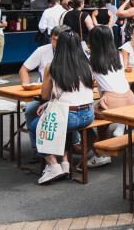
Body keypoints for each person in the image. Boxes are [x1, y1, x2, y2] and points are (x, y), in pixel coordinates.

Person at [29, 31, 94, 184]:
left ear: (60, 45)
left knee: (35, 127)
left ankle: (53, 165)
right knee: (60, 124)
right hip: (88, 115)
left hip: (69, 116)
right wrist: (50, 102)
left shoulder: (52, 67)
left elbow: (44, 95)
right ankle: (65, 163)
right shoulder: (87, 65)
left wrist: (47, 101)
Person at [88, 25, 134, 167]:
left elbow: (87, 83)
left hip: (112, 99)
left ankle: (100, 152)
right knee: (100, 117)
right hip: (129, 97)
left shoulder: (92, 59)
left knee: (83, 118)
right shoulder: (117, 55)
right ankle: (107, 145)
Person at [20, 25, 71, 154]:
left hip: (64, 96)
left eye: (59, 40)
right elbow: (24, 69)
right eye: (53, 39)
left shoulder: (73, 52)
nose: (55, 43)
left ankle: (71, 144)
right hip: (44, 94)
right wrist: (27, 85)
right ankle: (37, 148)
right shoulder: (42, 51)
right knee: (31, 110)